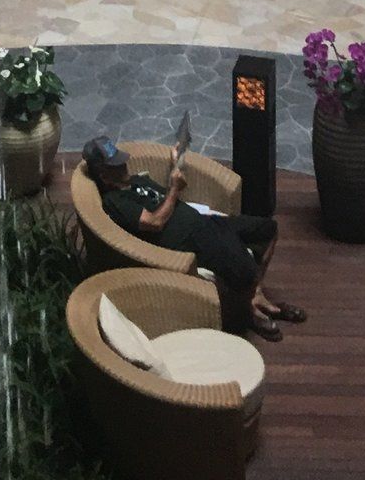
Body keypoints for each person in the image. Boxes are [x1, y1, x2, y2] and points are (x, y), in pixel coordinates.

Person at [79, 139, 306, 343]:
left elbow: (164, 198)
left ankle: (255, 296)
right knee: (244, 270)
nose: (124, 166)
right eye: (116, 165)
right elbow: (155, 222)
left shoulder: (136, 180)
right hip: (189, 240)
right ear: (103, 174)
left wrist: (176, 163)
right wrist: (175, 189)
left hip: (206, 222)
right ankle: (250, 313)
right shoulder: (116, 201)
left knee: (268, 230)